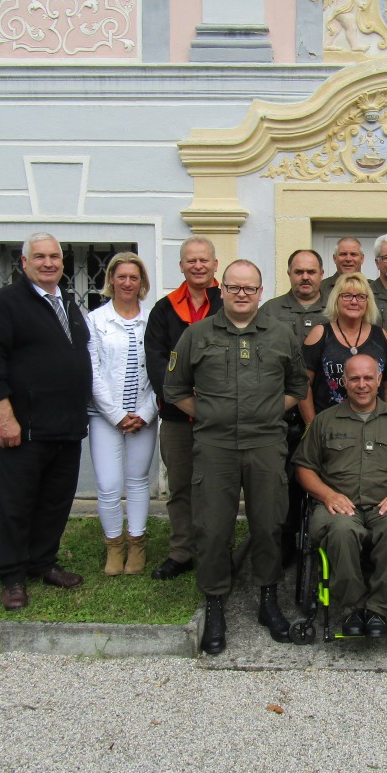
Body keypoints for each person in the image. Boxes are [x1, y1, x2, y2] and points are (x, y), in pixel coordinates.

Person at [164, 260, 308, 655]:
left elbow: (298, 386)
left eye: (250, 288)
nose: (242, 293)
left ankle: (268, 600)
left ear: (260, 292)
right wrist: (210, 415)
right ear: (221, 290)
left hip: (265, 445)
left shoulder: (282, 334)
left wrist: (265, 413)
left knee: (269, 524)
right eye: (234, 287)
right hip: (215, 447)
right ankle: (214, 604)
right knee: (212, 528)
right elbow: (175, 388)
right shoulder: (197, 334)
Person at [0, 232, 91, 611]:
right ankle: (11, 576)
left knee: (55, 501)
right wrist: (5, 418)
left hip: (66, 426)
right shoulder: (4, 304)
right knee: (16, 504)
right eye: (39, 256)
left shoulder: (68, 304)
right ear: (24, 263)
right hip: (23, 429)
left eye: (54, 256)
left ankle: (43, 562)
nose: (48, 263)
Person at [293, 354, 387, 638]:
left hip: (386, 506)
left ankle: (379, 610)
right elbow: (304, 469)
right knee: (341, 530)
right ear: (344, 382)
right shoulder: (324, 421)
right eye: (354, 378)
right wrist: (328, 495)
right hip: (339, 507)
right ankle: (352, 609)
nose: (362, 384)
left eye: (368, 378)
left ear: (379, 380)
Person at [143, 236, 222, 581]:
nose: (198, 266)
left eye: (204, 260)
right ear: (181, 266)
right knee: (180, 485)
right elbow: (156, 359)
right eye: (191, 261)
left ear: (215, 265)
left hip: (219, 414)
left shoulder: (229, 301)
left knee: (218, 486)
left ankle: (215, 550)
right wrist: (181, 395)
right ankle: (181, 552)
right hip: (177, 415)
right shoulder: (164, 309)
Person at [87, 253, 159, 576]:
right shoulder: (96, 320)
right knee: (108, 483)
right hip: (106, 417)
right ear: (111, 280)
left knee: (138, 480)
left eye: (134, 277)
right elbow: (92, 372)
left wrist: (144, 412)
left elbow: (161, 372)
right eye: (122, 277)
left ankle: (137, 545)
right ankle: (114, 546)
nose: (127, 283)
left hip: (145, 414)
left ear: (142, 282)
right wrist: (116, 414)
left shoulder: (152, 320)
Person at [261, 249, 329, 564]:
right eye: (299, 271)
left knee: (326, 481)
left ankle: (326, 543)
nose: (305, 277)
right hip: (283, 416)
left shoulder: (336, 307)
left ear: (321, 274)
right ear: (289, 273)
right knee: (283, 485)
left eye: (311, 272)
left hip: (328, 416)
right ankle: (285, 545)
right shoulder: (270, 312)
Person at [300, 272, 387, 426]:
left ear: (368, 302)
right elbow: (303, 385)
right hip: (329, 428)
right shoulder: (320, 334)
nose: (354, 301)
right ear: (336, 300)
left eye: (360, 296)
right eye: (347, 295)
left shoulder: (381, 336)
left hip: (375, 426)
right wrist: (312, 426)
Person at [319, 236, 365, 301]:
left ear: (362, 258)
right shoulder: (320, 288)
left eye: (353, 254)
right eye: (343, 254)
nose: (348, 259)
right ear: (335, 258)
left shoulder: (372, 288)